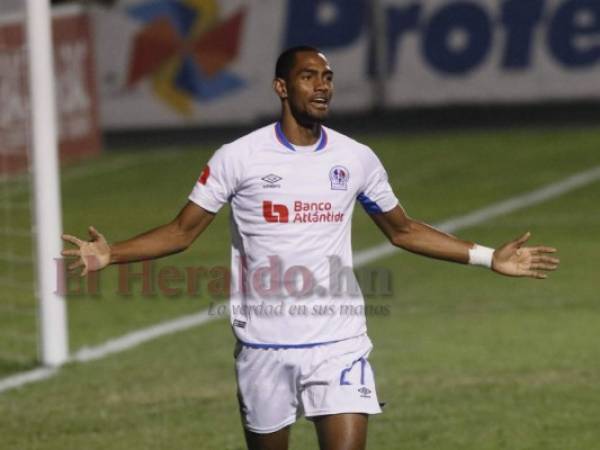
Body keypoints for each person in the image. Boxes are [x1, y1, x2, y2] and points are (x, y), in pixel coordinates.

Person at [62, 46, 559, 450]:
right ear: (282, 87)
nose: (323, 85)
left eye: (328, 77)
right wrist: (112, 255)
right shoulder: (239, 158)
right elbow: (181, 232)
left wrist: (487, 256)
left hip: (337, 342)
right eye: (309, 76)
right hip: (263, 347)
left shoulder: (355, 158)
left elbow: (403, 230)